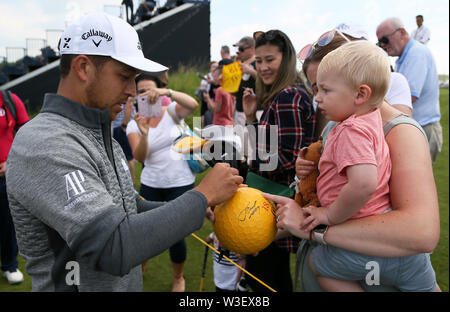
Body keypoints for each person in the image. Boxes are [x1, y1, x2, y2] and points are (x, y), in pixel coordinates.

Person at [5, 12, 243, 292]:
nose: (132, 91)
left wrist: (197, 205)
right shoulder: (44, 141)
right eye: (124, 76)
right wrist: (202, 195)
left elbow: (130, 208)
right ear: (83, 68)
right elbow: (112, 247)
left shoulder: (99, 132)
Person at [263, 28, 441, 292]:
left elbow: (421, 232)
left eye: (326, 88)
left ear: (358, 87)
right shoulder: (339, 123)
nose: (318, 98)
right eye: (315, 87)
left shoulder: (399, 132)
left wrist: (314, 229)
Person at [241, 30, 316, 292]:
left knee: (261, 279)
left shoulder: (287, 96)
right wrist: (251, 118)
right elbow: (271, 151)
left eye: (269, 60)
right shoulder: (287, 93)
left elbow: (285, 158)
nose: (262, 67)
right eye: (258, 61)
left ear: (286, 58)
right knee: (275, 276)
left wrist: (245, 166)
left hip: (276, 203)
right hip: (277, 202)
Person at [126, 73, 198, 292]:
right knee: (145, 232)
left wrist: (167, 92)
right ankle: (142, 264)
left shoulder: (171, 113)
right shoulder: (134, 124)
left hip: (179, 182)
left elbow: (193, 104)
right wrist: (145, 133)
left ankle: (178, 278)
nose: (147, 95)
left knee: (175, 235)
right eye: (141, 91)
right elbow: (140, 158)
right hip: (151, 184)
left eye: (151, 90)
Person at [377, 17, 442, 164]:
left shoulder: (416, 54)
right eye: (379, 42)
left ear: (401, 32)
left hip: (422, 128)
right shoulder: (406, 56)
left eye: (385, 40)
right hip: (415, 128)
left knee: (414, 183)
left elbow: (409, 96)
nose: (382, 45)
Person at [335, 22, 413, 117]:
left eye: (351, 46)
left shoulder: (394, 80)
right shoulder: (328, 86)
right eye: (336, 47)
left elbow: (403, 126)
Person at [0, 90, 29, 285]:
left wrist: (12, 160)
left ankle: (10, 265)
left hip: (5, 177)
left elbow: (28, 135)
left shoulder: (9, 100)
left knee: (8, 223)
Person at [233, 36, 257, 127]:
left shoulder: (258, 63)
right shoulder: (241, 65)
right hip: (239, 109)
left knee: (251, 140)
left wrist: (251, 71)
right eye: (238, 49)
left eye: (241, 49)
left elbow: (265, 82)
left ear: (251, 49)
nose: (239, 52)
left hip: (254, 111)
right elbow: (235, 91)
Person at [202, 59, 235, 127]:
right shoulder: (231, 89)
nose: (213, 79)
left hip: (220, 124)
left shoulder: (219, 90)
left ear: (221, 76)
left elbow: (216, 109)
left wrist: (207, 98)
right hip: (230, 123)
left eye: (215, 77)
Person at [111, 96, 136, 184]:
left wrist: (124, 125)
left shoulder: (125, 92)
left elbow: (129, 106)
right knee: (123, 158)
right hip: (119, 127)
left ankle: (131, 184)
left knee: (128, 158)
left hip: (122, 127)